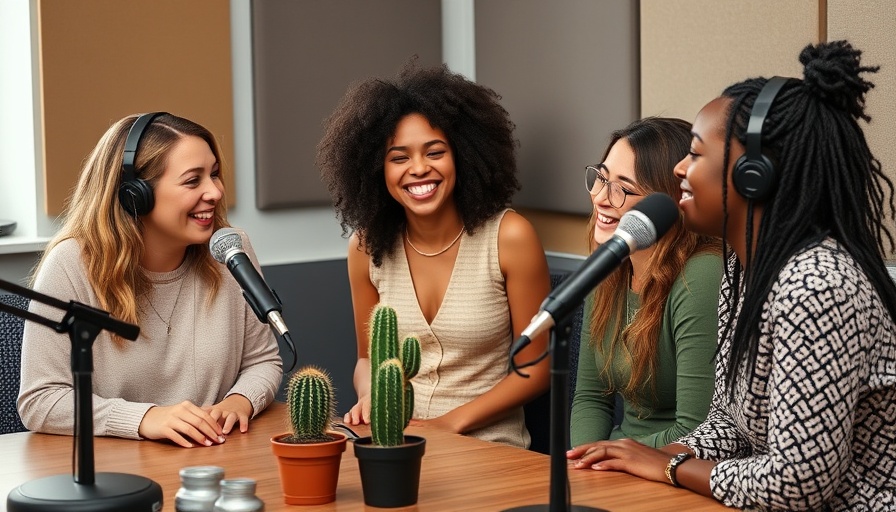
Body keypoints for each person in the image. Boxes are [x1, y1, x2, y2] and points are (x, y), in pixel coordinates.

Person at [566, 41, 896, 510]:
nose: (680, 167)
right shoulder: (748, 271)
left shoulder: (819, 285)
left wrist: (669, 467)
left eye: (696, 155)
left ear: (753, 175)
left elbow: (798, 482)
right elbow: (727, 421)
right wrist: (643, 459)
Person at [318, 62, 552, 448]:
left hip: (488, 448)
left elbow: (535, 368)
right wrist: (370, 395)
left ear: (462, 155)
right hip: (396, 442)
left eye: (435, 152)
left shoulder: (510, 237)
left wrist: (448, 424)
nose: (419, 169)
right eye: (399, 157)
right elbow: (366, 360)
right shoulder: (366, 247)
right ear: (377, 170)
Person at [18, 113, 283, 448]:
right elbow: (40, 400)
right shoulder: (71, 264)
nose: (215, 192)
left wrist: (240, 400)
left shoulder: (231, 250)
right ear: (135, 195)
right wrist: (144, 418)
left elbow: (262, 360)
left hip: (213, 458)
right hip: (115, 469)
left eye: (214, 175)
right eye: (192, 181)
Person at [570, 117, 722, 449]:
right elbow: (590, 398)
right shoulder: (608, 266)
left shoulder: (702, 275)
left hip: (676, 467)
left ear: (668, 203)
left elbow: (697, 428)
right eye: (601, 178)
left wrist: (609, 457)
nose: (601, 198)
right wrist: (582, 464)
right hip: (613, 462)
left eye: (623, 188)